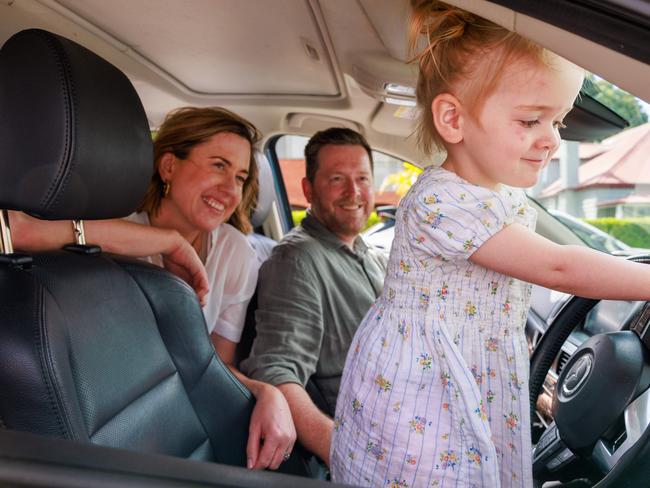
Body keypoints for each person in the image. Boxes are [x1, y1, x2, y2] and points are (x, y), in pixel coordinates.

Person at [330, 2, 650, 487]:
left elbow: (511, 292)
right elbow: (560, 268)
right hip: (424, 393)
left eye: (558, 122)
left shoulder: (502, 200)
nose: (551, 141)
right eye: (530, 121)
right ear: (454, 120)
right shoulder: (442, 201)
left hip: (468, 372)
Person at [10, 106, 295, 471]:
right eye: (218, 165)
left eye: (240, 177)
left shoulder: (237, 254)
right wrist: (167, 241)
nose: (229, 190)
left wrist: (266, 392)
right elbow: (21, 232)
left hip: (178, 418)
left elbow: (215, 366)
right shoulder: (107, 226)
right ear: (169, 166)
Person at [240, 127, 388, 466]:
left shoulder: (370, 255)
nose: (354, 192)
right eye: (337, 179)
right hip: (373, 445)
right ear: (308, 189)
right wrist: (345, 453)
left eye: (362, 178)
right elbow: (275, 370)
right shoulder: (297, 260)